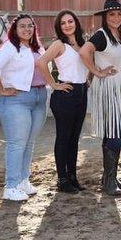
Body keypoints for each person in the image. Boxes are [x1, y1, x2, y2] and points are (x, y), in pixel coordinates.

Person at [0, 14, 47, 201]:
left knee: (29, 142)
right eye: (22, 26)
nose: (27, 29)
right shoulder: (10, 48)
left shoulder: (37, 47)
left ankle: (23, 180)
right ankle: (11, 186)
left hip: (39, 98)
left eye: (30, 26)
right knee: (16, 143)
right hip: (17, 99)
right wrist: (1, 90)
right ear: (15, 29)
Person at [79, 0, 121, 197]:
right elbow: (84, 52)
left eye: (119, 14)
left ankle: (110, 177)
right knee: (116, 133)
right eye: (112, 14)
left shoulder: (120, 36)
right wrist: (96, 71)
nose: (116, 18)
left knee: (113, 132)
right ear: (105, 17)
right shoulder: (101, 35)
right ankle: (109, 181)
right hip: (109, 89)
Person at [36, 10, 89, 194]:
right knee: (64, 138)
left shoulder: (83, 43)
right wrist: (54, 84)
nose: (67, 25)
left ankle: (73, 176)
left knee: (74, 139)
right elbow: (41, 63)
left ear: (76, 22)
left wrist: (87, 79)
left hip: (82, 93)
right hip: (65, 94)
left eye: (70, 21)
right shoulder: (59, 44)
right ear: (59, 27)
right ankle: (62, 179)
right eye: (63, 23)